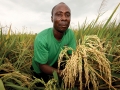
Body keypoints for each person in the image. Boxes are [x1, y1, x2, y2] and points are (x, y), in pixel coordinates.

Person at [31, 2, 76, 84]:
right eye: (59, 14)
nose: (64, 18)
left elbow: (71, 55)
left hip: (54, 63)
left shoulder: (70, 34)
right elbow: (43, 66)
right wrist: (62, 73)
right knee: (41, 84)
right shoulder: (41, 39)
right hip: (40, 69)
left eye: (67, 15)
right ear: (52, 19)